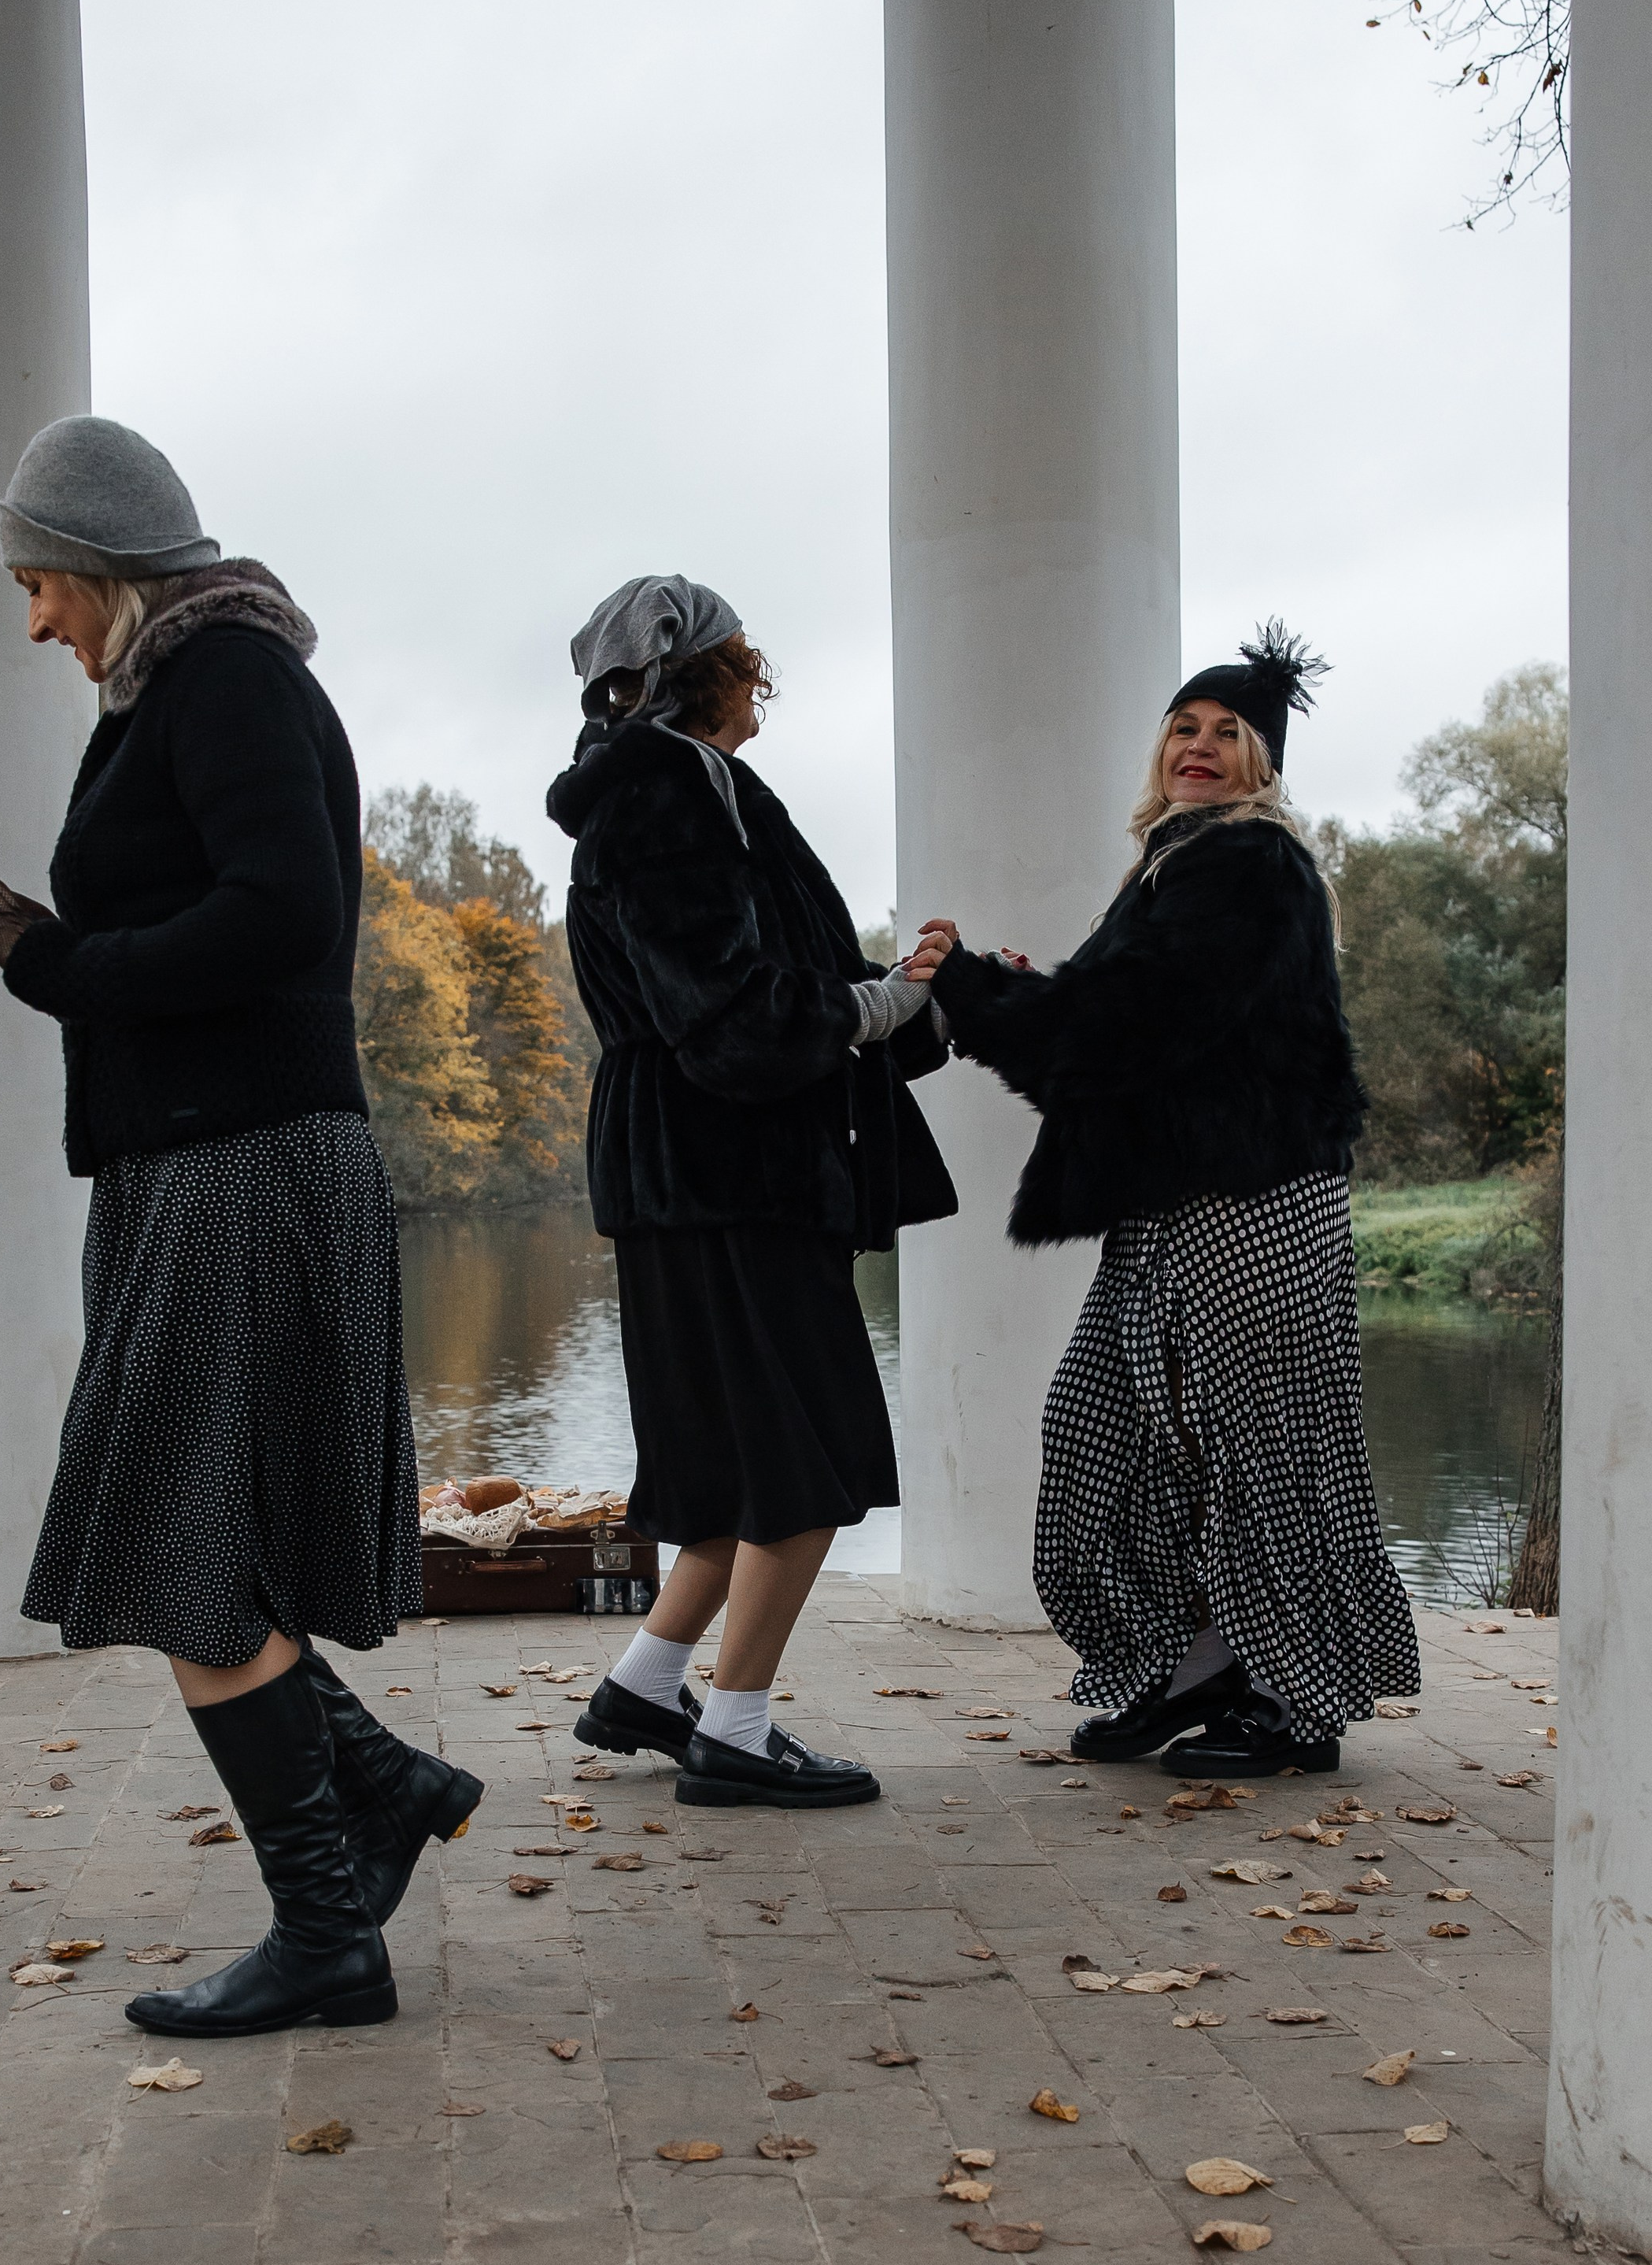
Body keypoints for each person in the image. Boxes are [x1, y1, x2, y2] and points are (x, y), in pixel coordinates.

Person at [0, 413, 480, 2037]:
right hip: (200, 1162)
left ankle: (332, 1921)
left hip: (239, 1162)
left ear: (104, 561)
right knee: (194, 1533)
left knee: (178, 1539)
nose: (34, 618)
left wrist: (63, 968)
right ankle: (370, 1793)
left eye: (41, 580)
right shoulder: (178, 683)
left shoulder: (226, 675)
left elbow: (285, 913)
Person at [925, 622, 1419, 1775]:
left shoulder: (1249, 865)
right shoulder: (1177, 863)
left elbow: (1126, 1027)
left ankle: (1293, 1702)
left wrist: (978, 993)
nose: (1199, 749)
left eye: (1228, 735)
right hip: (1175, 1206)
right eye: (1184, 729)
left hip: (1251, 1203)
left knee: (1261, 1446)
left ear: (1263, 762)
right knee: (1105, 1434)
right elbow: (1129, 1017)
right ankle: (1196, 1660)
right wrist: (1006, 993)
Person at [548, 576, 957, 1810]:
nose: (761, 677)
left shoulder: (676, 787)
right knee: (805, 1455)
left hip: (690, 1162)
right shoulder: (670, 792)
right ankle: (734, 1726)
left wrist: (905, 992)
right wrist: (877, 1005)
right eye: (747, 659)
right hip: (726, 1162)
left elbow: (765, 981)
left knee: (731, 1459)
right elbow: (724, 1008)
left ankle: (648, 1681)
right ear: (705, 671)